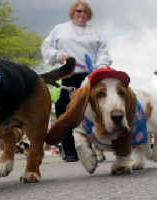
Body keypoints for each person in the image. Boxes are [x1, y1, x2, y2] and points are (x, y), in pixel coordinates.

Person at [41, 0, 112, 162]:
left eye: (85, 11)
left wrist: (101, 66)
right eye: (78, 11)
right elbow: (46, 47)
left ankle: (96, 146)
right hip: (67, 73)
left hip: (89, 75)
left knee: (93, 110)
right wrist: (57, 55)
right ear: (72, 12)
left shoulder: (96, 32)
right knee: (64, 111)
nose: (81, 14)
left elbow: (103, 53)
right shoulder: (59, 29)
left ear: (89, 14)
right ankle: (69, 150)